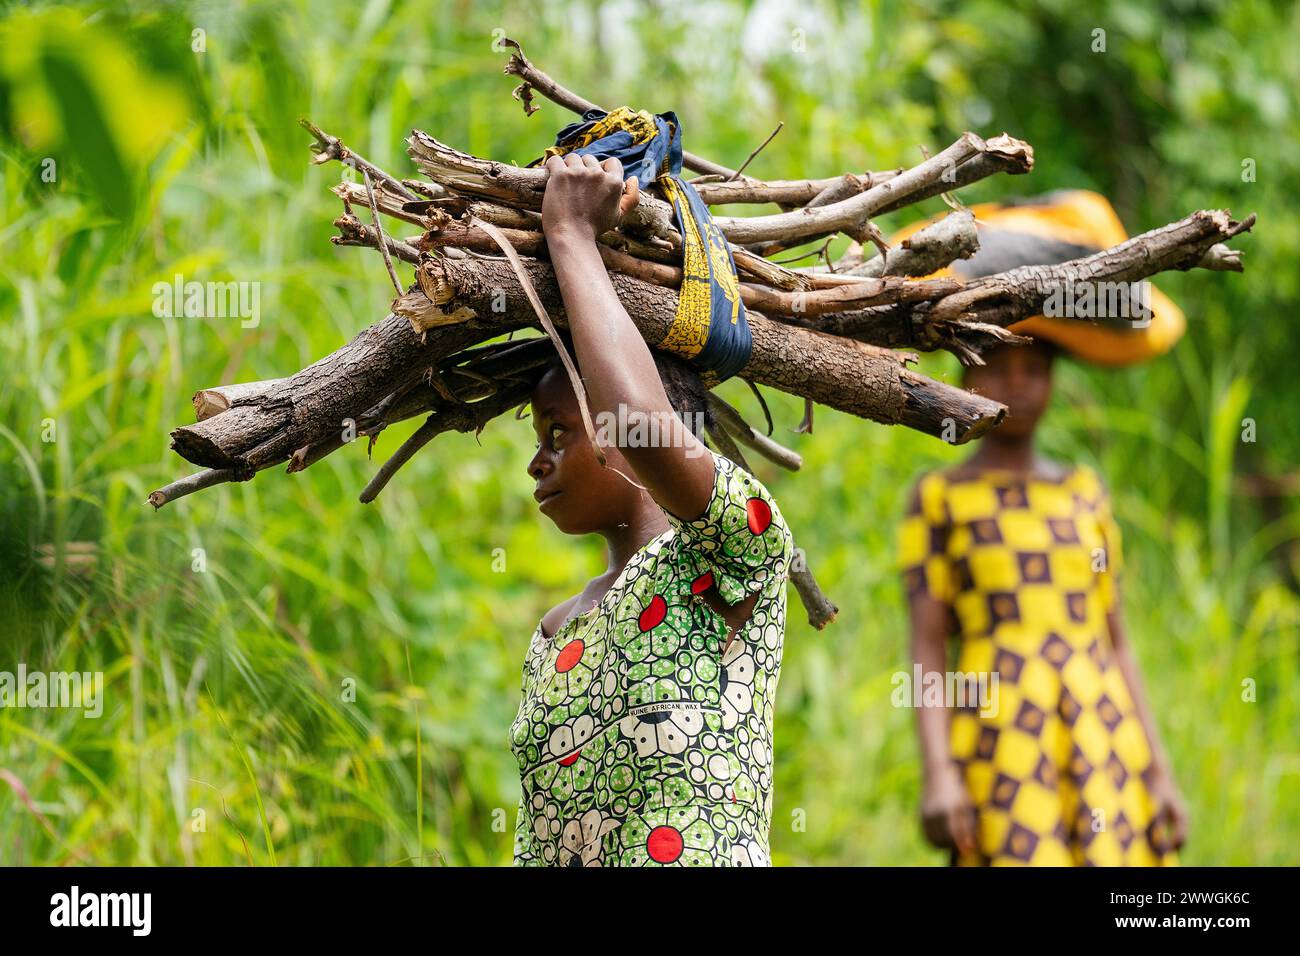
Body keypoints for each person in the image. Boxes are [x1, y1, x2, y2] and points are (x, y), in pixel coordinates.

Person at [510, 152, 794, 867]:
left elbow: (634, 415)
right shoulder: (554, 633)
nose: (536, 461)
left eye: (558, 432)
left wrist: (572, 233)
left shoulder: (735, 548)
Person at [897, 191, 1189, 866]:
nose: (1019, 384)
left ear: (1057, 381)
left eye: (1035, 369)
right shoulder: (940, 499)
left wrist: (1158, 769)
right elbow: (928, 649)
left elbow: (1116, 643)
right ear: (969, 365)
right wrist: (940, 774)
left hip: (1101, 735)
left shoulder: (1083, 495)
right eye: (1002, 364)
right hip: (1000, 743)